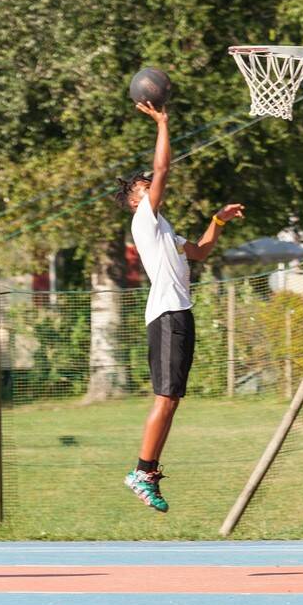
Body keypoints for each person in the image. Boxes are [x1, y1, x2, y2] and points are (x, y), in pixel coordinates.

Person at [114, 101, 244, 512]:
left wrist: (217, 221)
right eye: (142, 185)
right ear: (136, 200)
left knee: (171, 399)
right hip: (168, 314)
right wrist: (162, 123)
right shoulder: (144, 220)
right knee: (165, 398)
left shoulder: (164, 230)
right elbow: (164, 170)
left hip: (177, 314)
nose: (150, 183)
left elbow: (201, 252)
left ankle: (147, 470)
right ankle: (142, 471)